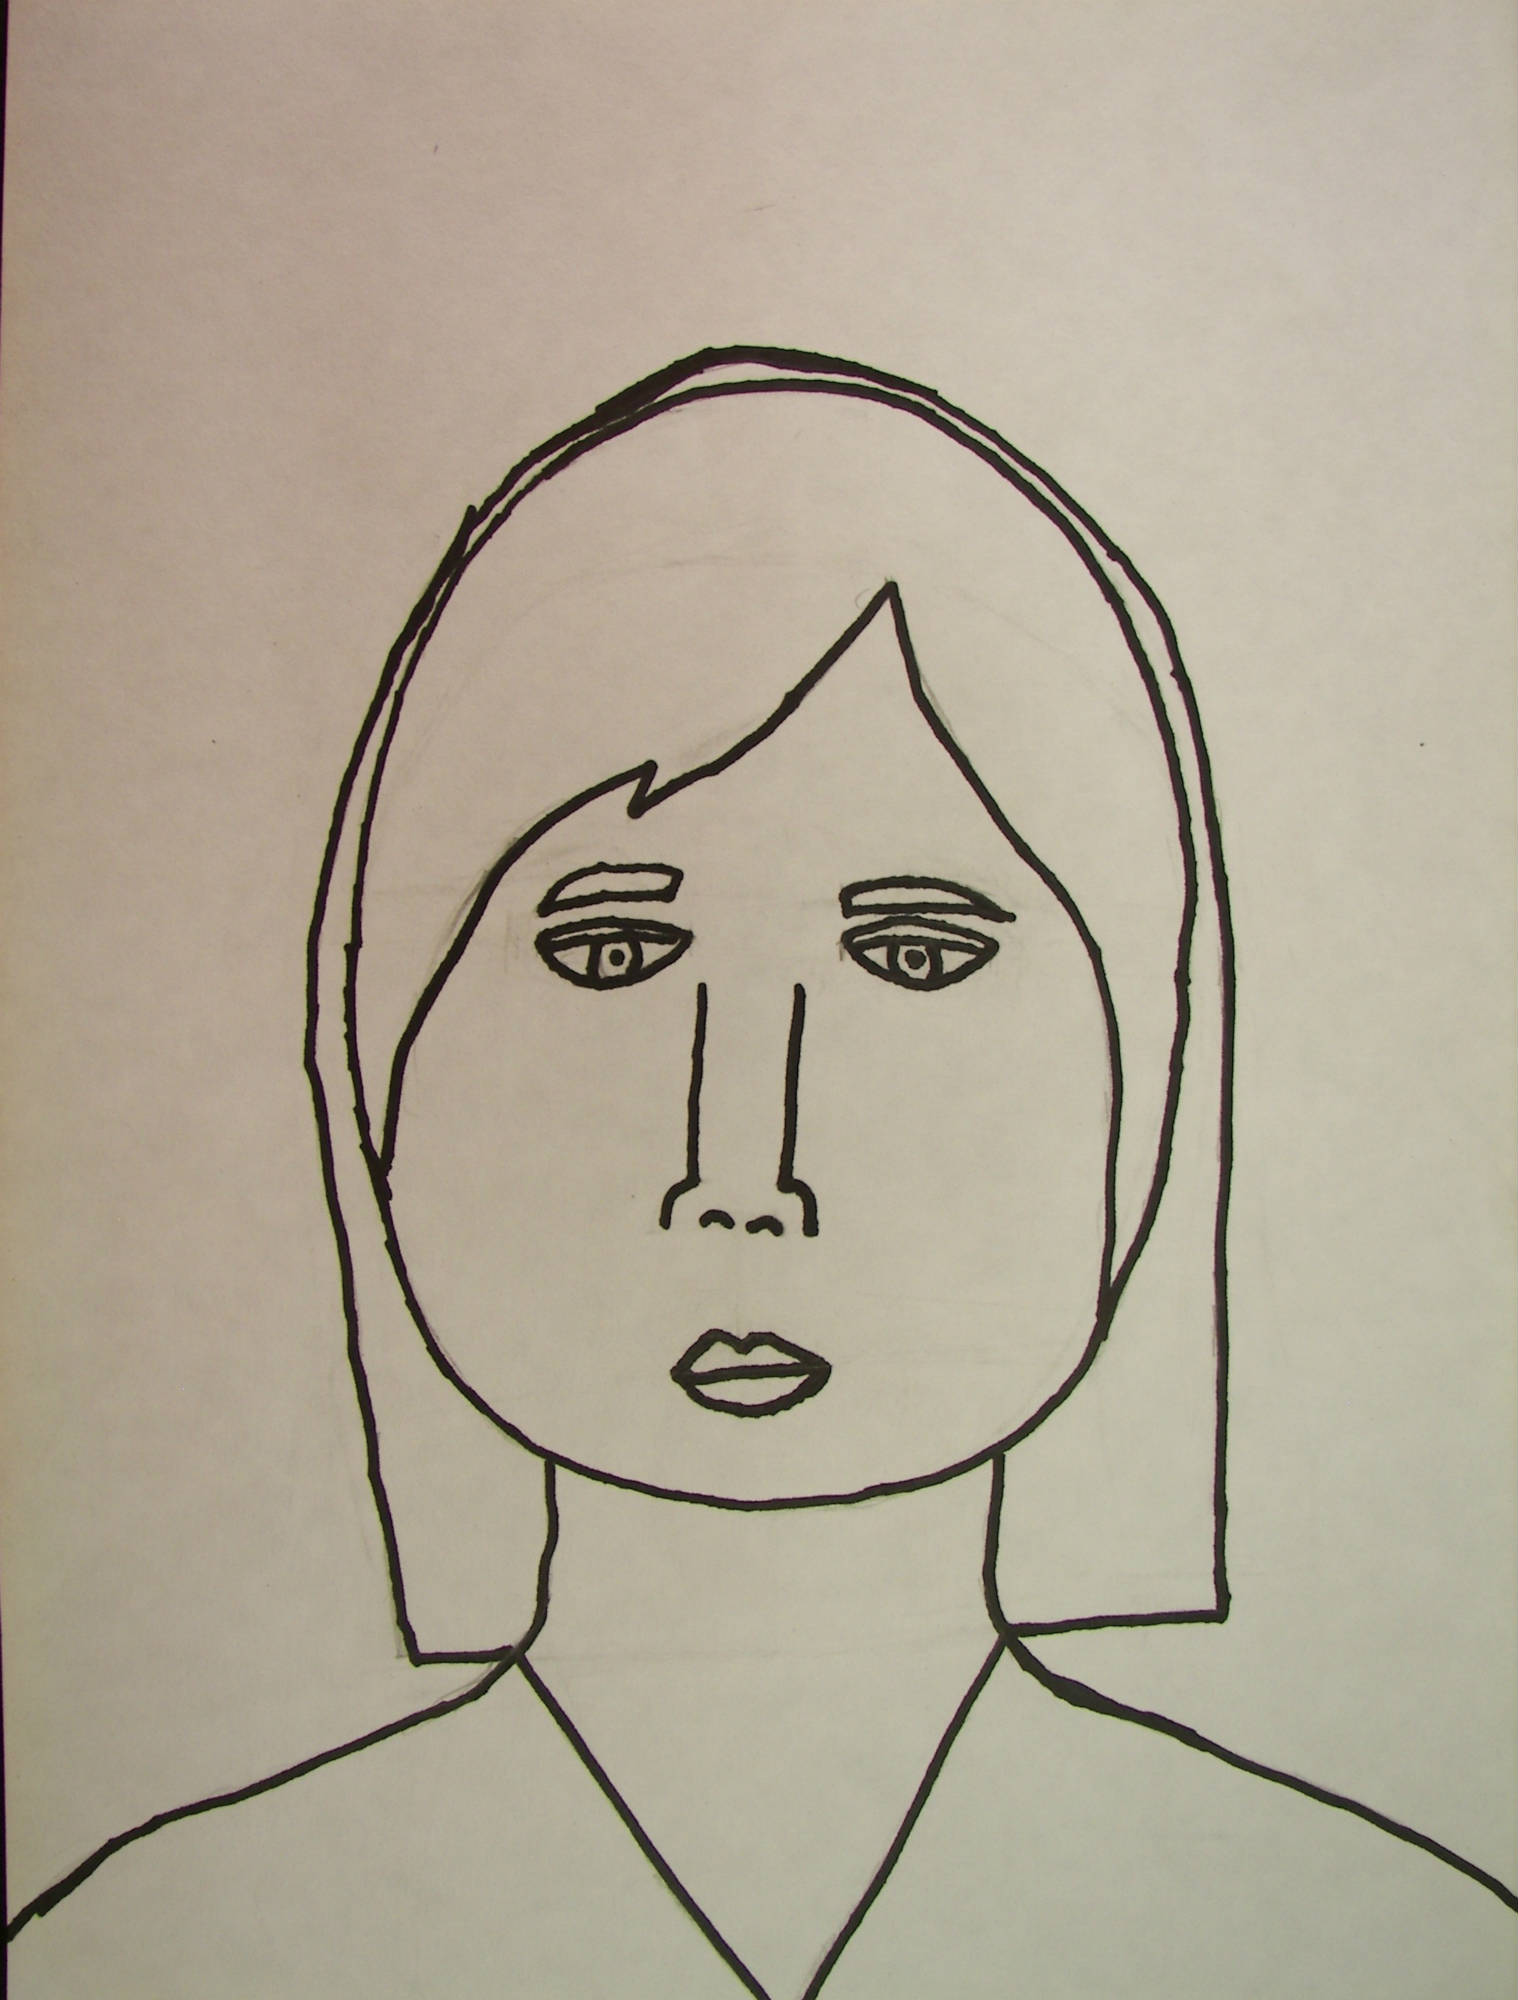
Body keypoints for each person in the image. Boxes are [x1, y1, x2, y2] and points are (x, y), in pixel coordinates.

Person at [8, 350, 1514, 1998]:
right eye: (609, 954)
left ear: (1144, 1083)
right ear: (379, 1076)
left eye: (917, 957)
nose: (743, 1170)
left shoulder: (1373, 1933)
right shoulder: (156, 1946)